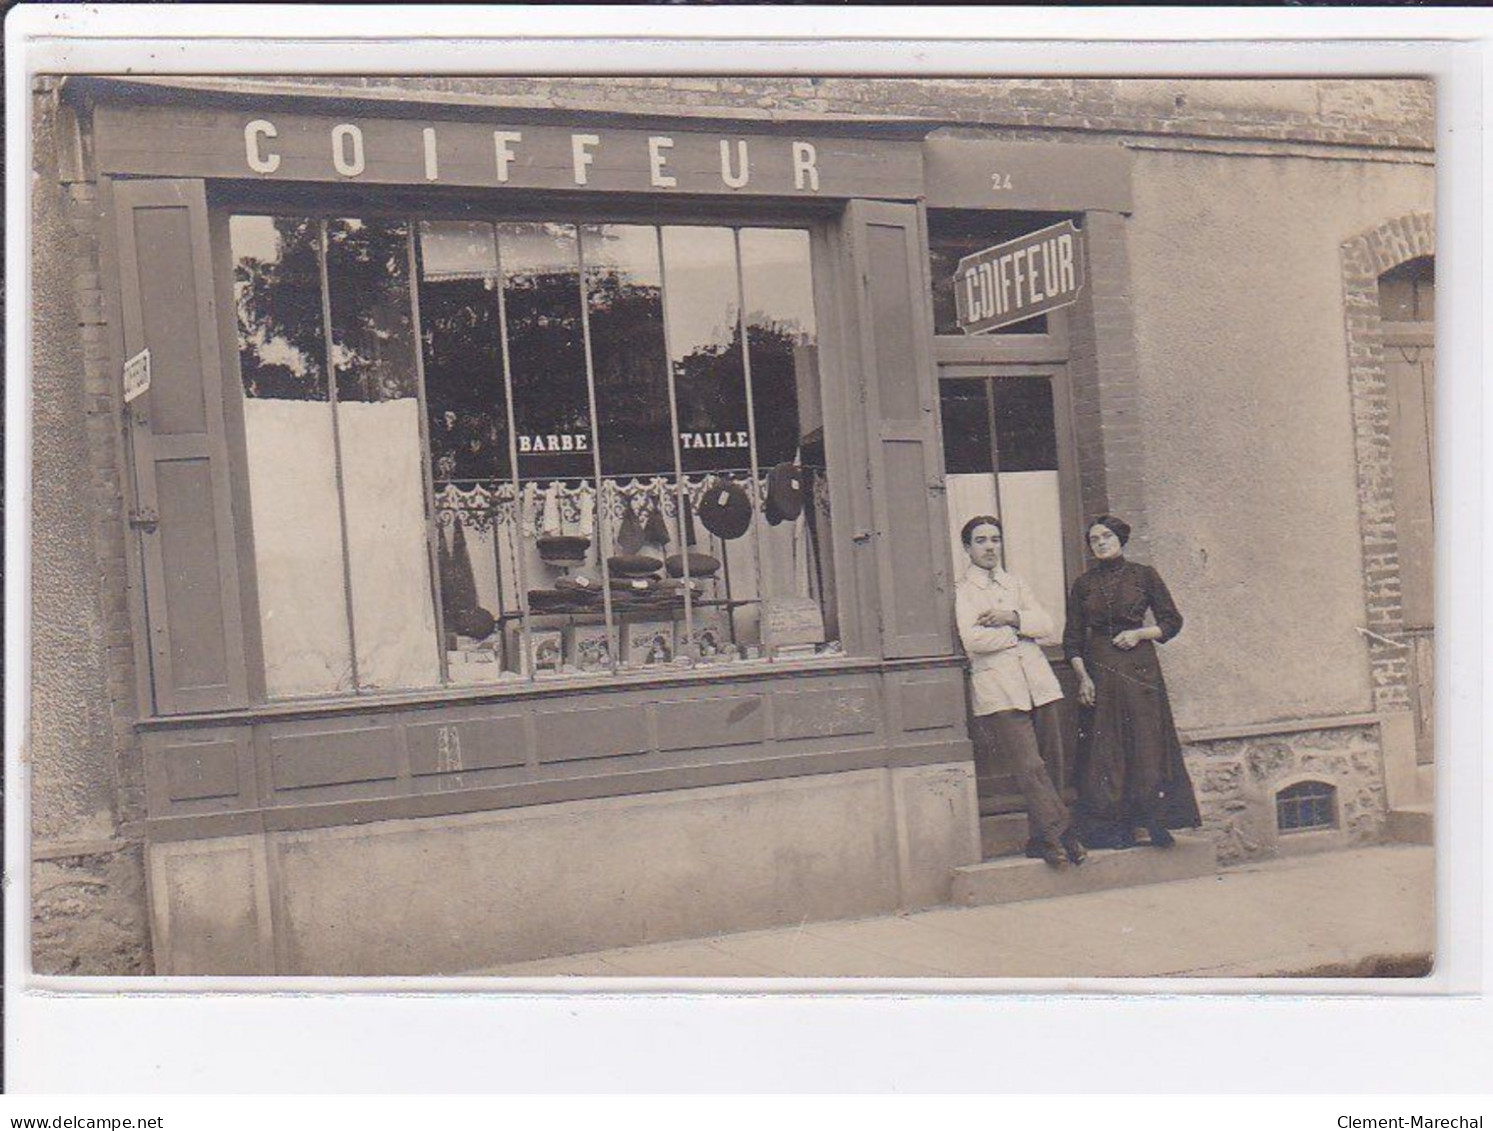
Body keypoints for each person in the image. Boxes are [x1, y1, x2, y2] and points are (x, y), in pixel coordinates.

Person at [955, 516, 1085, 870]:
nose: (990, 547)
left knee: (1053, 763)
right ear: (967, 548)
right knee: (1029, 766)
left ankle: (1043, 840)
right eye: (981, 541)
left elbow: (1046, 624)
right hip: (1000, 687)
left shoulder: (1015, 584)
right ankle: (1063, 831)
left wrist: (1010, 616)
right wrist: (1019, 632)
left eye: (995, 539)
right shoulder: (963, 591)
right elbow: (974, 641)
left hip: (1039, 684)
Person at [1064, 515, 1201, 849]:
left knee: (1146, 744)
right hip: (1100, 670)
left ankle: (1153, 821)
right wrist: (1083, 678)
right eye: (1094, 539)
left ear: (1120, 539)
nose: (1100, 543)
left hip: (1139, 670)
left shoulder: (1144, 576)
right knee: (1106, 749)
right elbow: (1072, 638)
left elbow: (1172, 622)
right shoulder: (1083, 585)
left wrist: (1140, 633)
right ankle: (1114, 828)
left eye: (1106, 536)